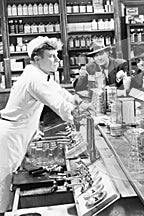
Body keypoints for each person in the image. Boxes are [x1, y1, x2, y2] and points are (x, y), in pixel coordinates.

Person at [0, 36, 91, 213]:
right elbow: (60, 106)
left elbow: (62, 94)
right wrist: (80, 114)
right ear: (37, 59)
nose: (57, 60)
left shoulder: (41, 75)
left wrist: (78, 101)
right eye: (51, 56)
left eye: (56, 56)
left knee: (9, 182)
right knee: (3, 184)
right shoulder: (35, 79)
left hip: (21, 133)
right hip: (10, 137)